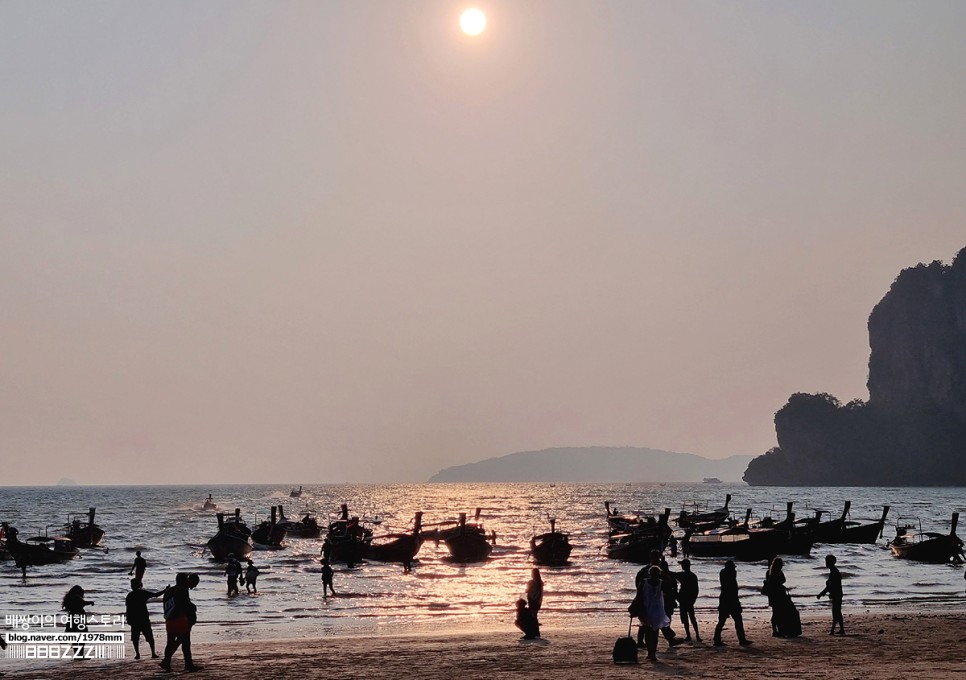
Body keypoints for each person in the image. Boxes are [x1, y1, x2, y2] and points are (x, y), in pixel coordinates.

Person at [160, 572, 200, 672]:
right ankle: (188, 665)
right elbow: (184, 605)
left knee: (170, 642)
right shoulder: (182, 590)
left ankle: (167, 663)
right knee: (185, 643)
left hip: (169, 620)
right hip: (180, 619)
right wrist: (192, 610)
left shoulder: (169, 591)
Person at [629, 565, 669, 661]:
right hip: (657, 610)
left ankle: (650, 653)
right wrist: (665, 573)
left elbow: (638, 596)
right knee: (655, 633)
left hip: (646, 609)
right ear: (658, 574)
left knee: (647, 633)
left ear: (649, 573)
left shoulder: (643, 582)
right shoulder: (661, 583)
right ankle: (653, 654)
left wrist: (633, 606)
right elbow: (670, 584)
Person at [713, 560, 752, 647]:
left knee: (723, 621)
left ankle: (717, 639)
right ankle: (741, 640)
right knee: (736, 621)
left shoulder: (724, 574)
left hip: (725, 600)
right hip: (731, 601)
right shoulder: (730, 577)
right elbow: (733, 591)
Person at [126, 578, 165, 659]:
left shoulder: (130, 595)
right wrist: (165, 590)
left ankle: (137, 654)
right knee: (149, 636)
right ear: (140, 585)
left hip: (134, 619)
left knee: (135, 637)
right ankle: (153, 653)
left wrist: (128, 619)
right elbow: (156, 595)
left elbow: (128, 609)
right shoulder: (143, 593)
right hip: (143, 618)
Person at [62, 585, 93, 658]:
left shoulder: (70, 598)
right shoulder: (76, 597)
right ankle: (80, 655)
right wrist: (90, 602)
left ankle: (77, 655)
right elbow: (83, 603)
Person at [817, 554, 845, 635]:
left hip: (837, 594)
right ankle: (839, 630)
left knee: (836, 612)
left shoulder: (834, 572)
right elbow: (830, 586)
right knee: (837, 612)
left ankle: (834, 630)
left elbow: (830, 586)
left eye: (826, 561)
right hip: (837, 594)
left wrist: (821, 594)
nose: (825, 563)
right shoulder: (834, 571)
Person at [675, 559, 701, 642]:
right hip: (689, 599)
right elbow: (696, 590)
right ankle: (697, 635)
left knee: (686, 618)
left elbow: (671, 574)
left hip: (683, 599)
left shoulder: (682, 575)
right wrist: (694, 599)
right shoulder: (693, 575)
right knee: (692, 618)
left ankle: (689, 635)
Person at [764, 556, 788, 637]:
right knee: (779, 613)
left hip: (772, 595)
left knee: (775, 612)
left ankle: (775, 630)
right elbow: (783, 580)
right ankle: (779, 630)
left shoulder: (768, 572)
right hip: (779, 594)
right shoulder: (779, 572)